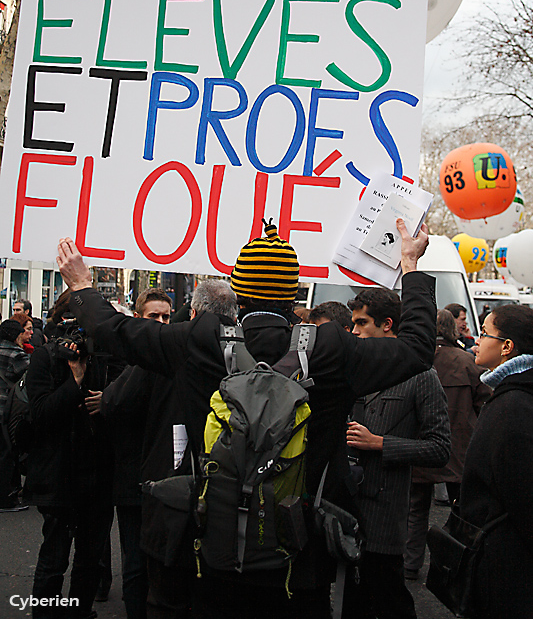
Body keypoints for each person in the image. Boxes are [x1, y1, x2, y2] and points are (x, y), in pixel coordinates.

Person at [57, 217, 436, 619]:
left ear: (237, 291)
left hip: (210, 547)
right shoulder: (331, 348)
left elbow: (115, 330)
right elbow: (416, 348)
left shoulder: (198, 338)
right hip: (299, 556)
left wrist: (81, 286)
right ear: (293, 294)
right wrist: (409, 265)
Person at [101, 280, 238, 619]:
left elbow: (114, 402)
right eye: (153, 317)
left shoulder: (168, 354)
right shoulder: (233, 354)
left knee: (160, 574)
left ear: (188, 314)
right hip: (165, 481)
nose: (160, 325)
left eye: (166, 317)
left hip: (171, 485)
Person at [344, 289, 450, 619]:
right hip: (344, 510)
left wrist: (381, 443)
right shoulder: (351, 367)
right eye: (352, 324)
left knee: (390, 599)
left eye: (361, 323)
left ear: (387, 325)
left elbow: (440, 448)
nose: (354, 332)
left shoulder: (421, 376)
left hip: (385, 518)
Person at [24, 312, 114, 618]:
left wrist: (108, 400)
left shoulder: (107, 358)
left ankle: (80, 611)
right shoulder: (46, 359)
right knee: (54, 557)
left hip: (98, 476)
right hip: (58, 474)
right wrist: (74, 380)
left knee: (90, 560)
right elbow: (41, 415)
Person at [457, 305, 533, 619]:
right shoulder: (509, 393)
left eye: (485, 333)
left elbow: (521, 491)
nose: (475, 339)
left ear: (507, 347)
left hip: (506, 566)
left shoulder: (515, 403)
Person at [404, 309, 491, 580]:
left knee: (416, 510)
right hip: (460, 448)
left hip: (420, 445)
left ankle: (410, 563)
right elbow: (485, 405)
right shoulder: (467, 362)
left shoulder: (415, 360)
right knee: (461, 512)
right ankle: (454, 565)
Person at [0, 318, 31, 511]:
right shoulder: (16, 355)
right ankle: (5, 498)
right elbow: (32, 375)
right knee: (6, 453)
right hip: (6, 408)